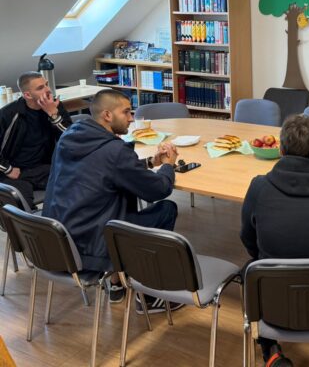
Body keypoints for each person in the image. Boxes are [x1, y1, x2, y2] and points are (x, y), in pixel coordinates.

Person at [43, 89, 180, 312]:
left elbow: (102, 170)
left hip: (59, 241)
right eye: (126, 112)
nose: (131, 118)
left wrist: (148, 163)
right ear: (107, 115)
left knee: (114, 205)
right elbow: (158, 190)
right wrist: (168, 166)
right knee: (166, 209)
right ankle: (148, 295)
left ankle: (117, 282)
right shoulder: (114, 150)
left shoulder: (69, 137)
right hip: (92, 249)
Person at [240, 115, 309, 367]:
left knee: (250, 268)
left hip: (273, 303)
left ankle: (270, 350)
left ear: (280, 149)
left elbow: (248, 239)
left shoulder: (258, 188)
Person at [0, 71, 72, 208]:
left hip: (42, 168)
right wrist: (8, 169)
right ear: (27, 95)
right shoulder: (9, 114)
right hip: (13, 172)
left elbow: (71, 139)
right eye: (40, 88)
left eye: (46, 84)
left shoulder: (55, 106)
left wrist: (54, 115)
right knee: (21, 205)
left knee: (78, 183)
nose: (48, 90)